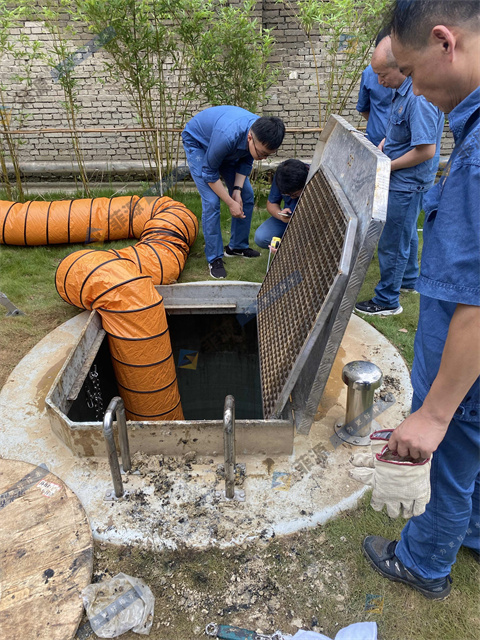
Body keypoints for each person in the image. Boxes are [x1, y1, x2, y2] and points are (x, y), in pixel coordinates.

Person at [361, 0, 480, 600]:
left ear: (444, 42)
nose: (411, 89)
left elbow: (479, 304)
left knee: (453, 443)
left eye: (408, 72)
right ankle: (472, 529)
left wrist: (432, 415)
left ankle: (424, 563)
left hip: (465, 344)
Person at [355, 36, 444, 316]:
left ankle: (386, 301)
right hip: (402, 178)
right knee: (406, 234)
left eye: (382, 75)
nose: (379, 82)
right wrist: (384, 145)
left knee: (393, 242)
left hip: (408, 182)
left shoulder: (419, 98)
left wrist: (387, 166)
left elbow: (426, 150)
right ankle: (407, 281)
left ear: (400, 67)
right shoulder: (401, 89)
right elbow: (402, 133)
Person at [182, 106, 285, 279]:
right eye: (261, 153)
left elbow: (246, 161)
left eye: (268, 155)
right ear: (250, 138)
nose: (263, 158)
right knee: (212, 201)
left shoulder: (260, 132)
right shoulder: (228, 135)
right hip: (199, 143)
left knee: (246, 195)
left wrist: (236, 191)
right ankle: (214, 258)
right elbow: (209, 173)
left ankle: (237, 247)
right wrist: (230, 203)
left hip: (227, 150)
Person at [254, 159, 309, 249]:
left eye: (295, 194)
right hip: (288, 219)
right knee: (261, 237)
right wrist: (281, 215)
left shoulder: (314, 177)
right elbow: (271, 204)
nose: (291, 197)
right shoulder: (282, 177)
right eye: (287, 194)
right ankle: (285, 248)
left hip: (310, 222)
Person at [356, 29, 395, 147]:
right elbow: (363, 108)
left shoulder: (416, 83)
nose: (380, 81)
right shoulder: (369, 73)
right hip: (376, 143)